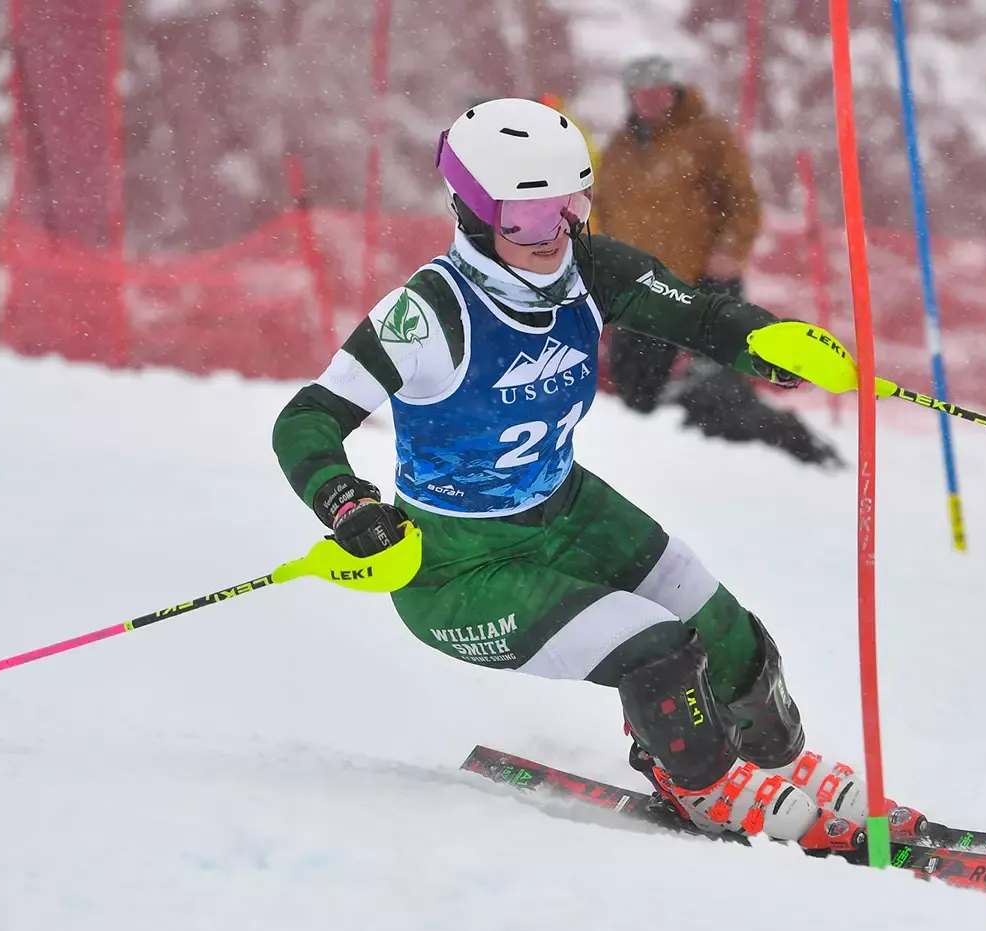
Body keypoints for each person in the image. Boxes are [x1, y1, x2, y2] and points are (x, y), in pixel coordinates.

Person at [272, 98, 870, 844]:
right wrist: (348, 506)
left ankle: (776, 762)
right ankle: (704, 786)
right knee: (658, 650)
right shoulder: (427, 314)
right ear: (473, 212)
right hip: (460, 567)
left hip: (570, 509)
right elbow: (306, 420)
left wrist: (767, 342)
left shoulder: (591, 267)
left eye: (568, 207)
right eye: (525, 218)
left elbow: (700, 315)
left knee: (729, 632)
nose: (551, 234)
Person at [592, 55, 841, 469]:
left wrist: (729, 252)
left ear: (673, 91)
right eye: (641, 92)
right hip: (640, 287)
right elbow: (599, 206)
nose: (650, 100)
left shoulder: (707, 136)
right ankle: (663, 468)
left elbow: (744, 201)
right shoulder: (618, 147)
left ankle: (791, 459)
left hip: (705, 283)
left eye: (658, 90)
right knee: (635, 390)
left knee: (721, 391)